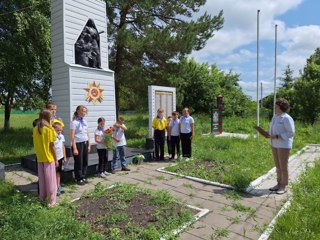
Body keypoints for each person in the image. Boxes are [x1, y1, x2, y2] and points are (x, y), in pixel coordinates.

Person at [268, 98, 295, 194]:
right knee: (277, 165)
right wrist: (268, 134)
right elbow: (272, 128)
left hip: (283, 145)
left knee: (283, 166)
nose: (274, 108)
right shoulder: (275, 117)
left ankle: (284, 185)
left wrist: (278, 136)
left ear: (281, 107)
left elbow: (291, 133)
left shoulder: (286, 118)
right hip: (274, 144)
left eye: (276, 106)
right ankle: (278, 183)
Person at [32, 109, 58, 207]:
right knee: (51, 181)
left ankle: (42, 198)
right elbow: (52, 146)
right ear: (48, 118)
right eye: (51, 117)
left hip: (40, 157)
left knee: (42, 180)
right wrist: (56, 159)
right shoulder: (49, 129)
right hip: (48, 157)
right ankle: (51, 201)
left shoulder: (35, 128)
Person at [70, 105, 91, 185]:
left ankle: (83, 176)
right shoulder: (74, 122)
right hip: (78, 144)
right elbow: (72, 136)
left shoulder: (85, 121)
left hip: (85, 142)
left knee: (85, 161)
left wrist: (89, 144)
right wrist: (74, 148)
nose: (84, 113)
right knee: (79, 161)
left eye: (85, 111)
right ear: (78, 111)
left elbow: (87, 133)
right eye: (82, 111)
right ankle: (78, 178)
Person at [53, 122, 66, 195]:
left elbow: (63, 146)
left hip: (60, 157)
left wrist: (64, 156)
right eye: (58, 130)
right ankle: (54, 188)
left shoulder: (61, 136)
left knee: (58, 173)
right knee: (53, 173)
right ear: (54, 129)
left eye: (60, 130)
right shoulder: (53, 137)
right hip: (55, 158)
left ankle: (58, 186)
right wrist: (55, 159)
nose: (59, 132)